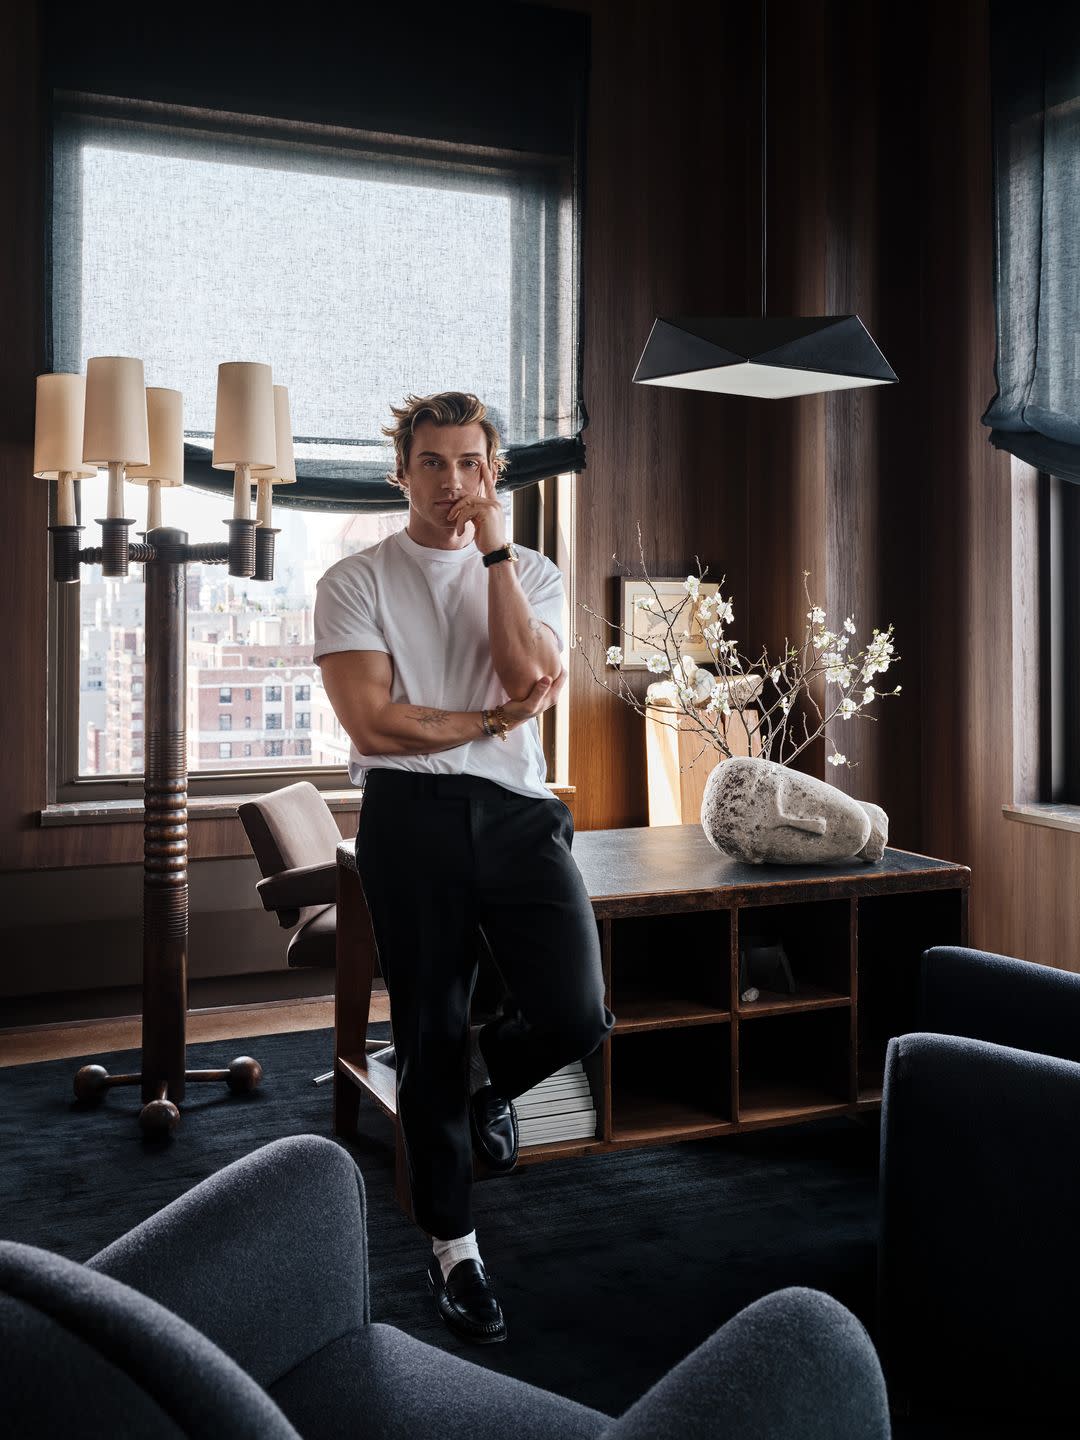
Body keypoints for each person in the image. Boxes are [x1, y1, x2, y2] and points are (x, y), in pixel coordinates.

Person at [313, 391, 614, 1345]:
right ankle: (454, 1250)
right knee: (430, 1031)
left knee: (577, 1013)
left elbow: (532, 676)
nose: (451, 482)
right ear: (400, 472)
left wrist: (492, 556)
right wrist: (482, 723)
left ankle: (496, 1088)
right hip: (408, 817)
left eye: (469, 464)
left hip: (521, 815)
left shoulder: (530, 571)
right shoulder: (355, 578)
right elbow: (373, 724)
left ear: (496, 473)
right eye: (432, 463)